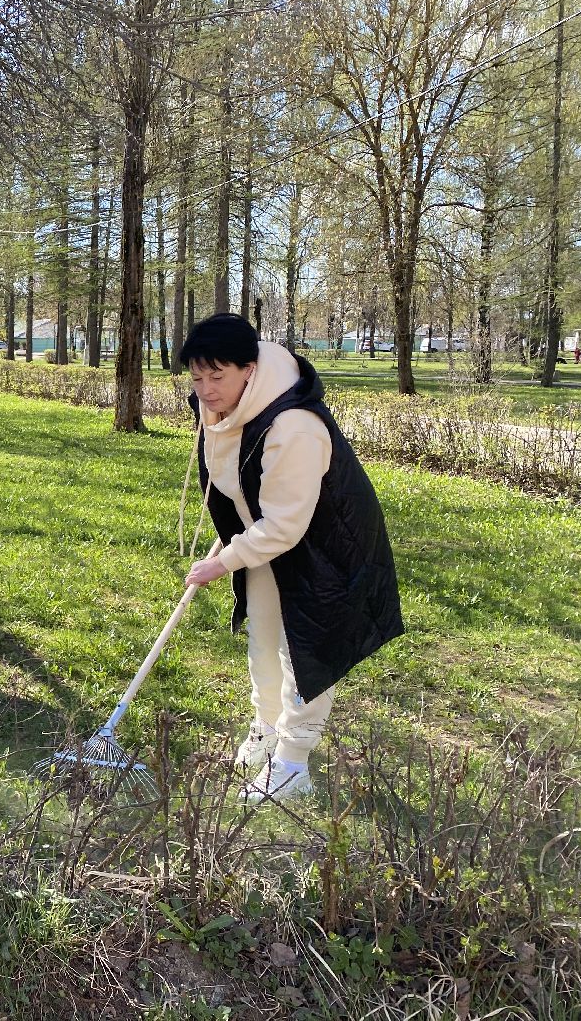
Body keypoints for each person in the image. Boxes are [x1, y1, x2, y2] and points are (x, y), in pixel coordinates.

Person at [180, 314, 403, 802]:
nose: (206, 390)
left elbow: (285, 523)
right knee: (263, 640)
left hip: (325, 549)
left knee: (302, 649)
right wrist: (237, 530)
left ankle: (293, 761)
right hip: (268, 541)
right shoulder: (223, 409)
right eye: (197, 378)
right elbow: (239, 479)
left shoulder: (293, 424)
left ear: (250, 369)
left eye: (217, 376)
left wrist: (224, 562)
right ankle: (266, 728)